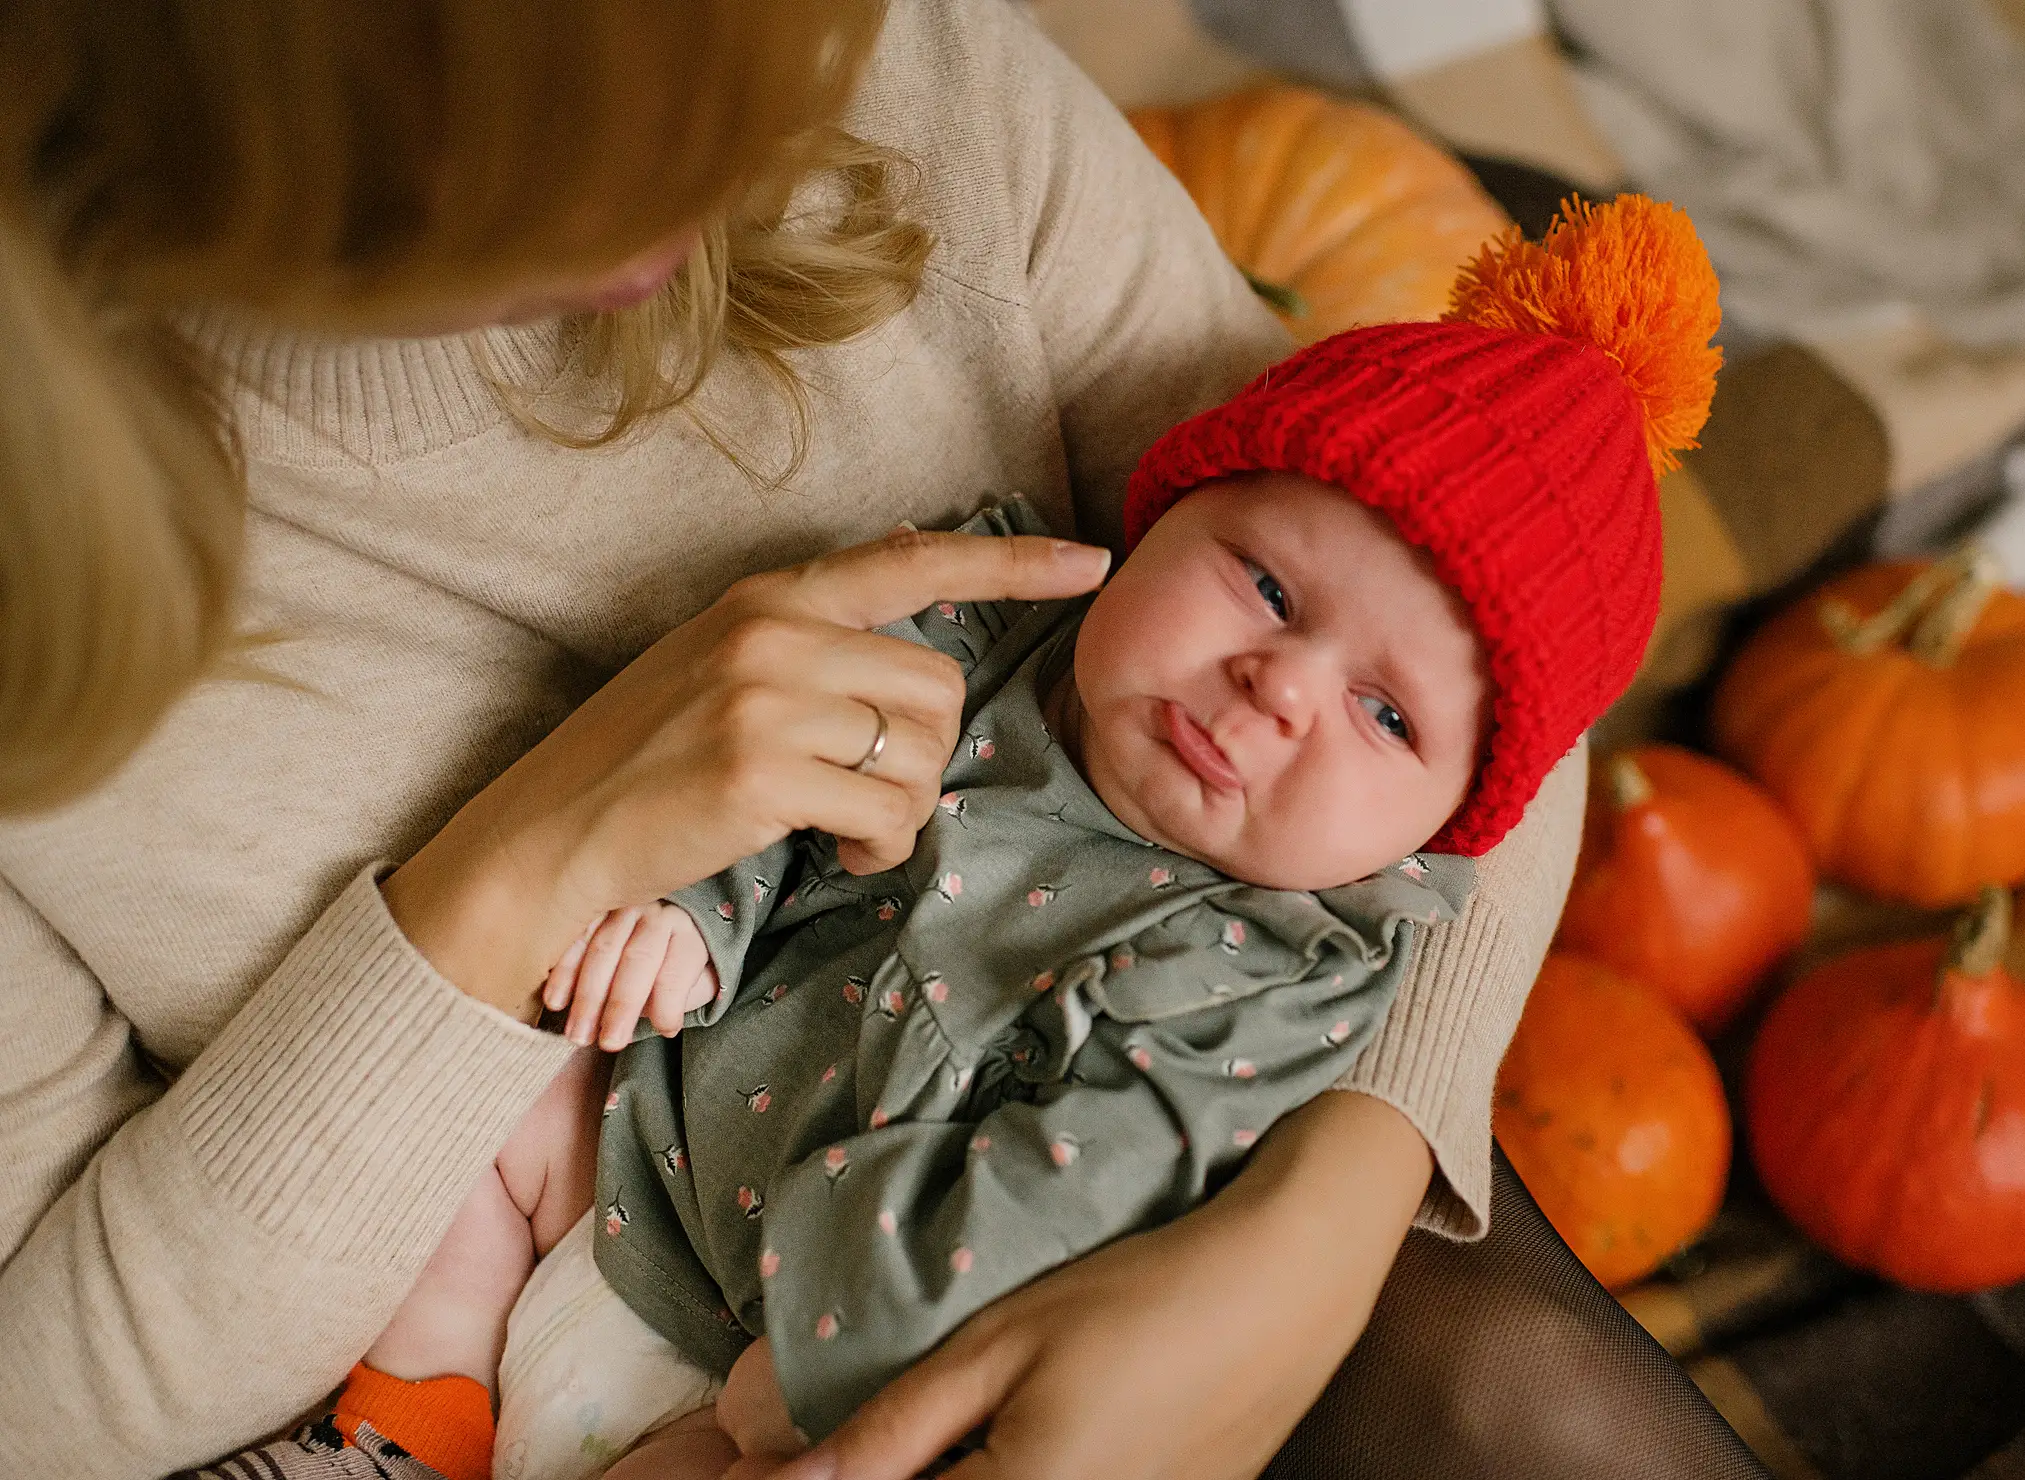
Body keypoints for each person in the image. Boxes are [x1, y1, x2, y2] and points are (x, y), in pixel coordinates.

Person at [1, 3, 1604, 1478]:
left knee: (1511, 1386)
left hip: (1037, 1239)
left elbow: (1494, 611)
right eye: (585, 118)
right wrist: (518, 876)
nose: (714, 172)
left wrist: (1321, 1222)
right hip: (539, 1250)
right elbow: (39, 1394)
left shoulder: (906, 72)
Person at [241, 196, 1716, 1480]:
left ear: (1451, 828)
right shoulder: (986, 628)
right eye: (1267, 588)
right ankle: (397, 1429)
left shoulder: (1277, 966)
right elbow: (755, 759)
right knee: (491, 1110)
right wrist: (691, 912)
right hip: (638, 1144)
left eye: (1385, 719)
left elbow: (1068, 1189)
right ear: (1164, 516)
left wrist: (839, 1359)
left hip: (795, 1366)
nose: (1280, 690)